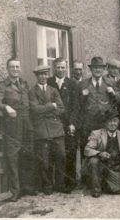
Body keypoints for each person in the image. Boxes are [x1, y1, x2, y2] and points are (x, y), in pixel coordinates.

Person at [0, 57, 35, 201]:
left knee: (27, 155)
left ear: (19, 69)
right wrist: (6, 107)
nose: (15, 69)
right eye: (12, 67)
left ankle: (26, 187)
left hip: (27, 125)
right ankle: (15, 191)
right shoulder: (3, 85)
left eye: (17, 67)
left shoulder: (24, 84)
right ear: (7, 69)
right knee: (12, 158)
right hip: (12, 126)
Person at [29, 65, 68, 195]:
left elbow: (62, 109)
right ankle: (47, 186)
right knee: (45, 160)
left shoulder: (53, 90)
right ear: (36, 76)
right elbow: (34, 110)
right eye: (41, 74)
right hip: (41, 129)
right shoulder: (32, 91)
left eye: (45, 74)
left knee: (61, 156)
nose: (44, 77)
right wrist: (51, 106)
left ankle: (60, 184)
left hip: (56, 128)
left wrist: (44, 109)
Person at [47, 57, 79, 191]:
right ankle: (55, 183)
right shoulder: (48, 82)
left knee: (69, 152)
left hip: (67, 123)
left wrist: (72, 123)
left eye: (63, 67)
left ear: (66, 68)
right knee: (54, 153)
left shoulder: (72, 84)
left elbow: (75, 106)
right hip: (53, 123)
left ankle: (69, 182)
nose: (60, 70)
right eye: (58, 67)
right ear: (54, 68)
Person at [78, 57, 120, 158]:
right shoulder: (83, 84)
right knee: (87, 151)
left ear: (104, 69)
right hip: (88, 123)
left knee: (105, 150)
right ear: (91, 69)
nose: (97, 70)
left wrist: (114, 93)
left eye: (100, 68)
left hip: (104, 123)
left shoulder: (111, 82)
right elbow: (77, 104)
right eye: (95, 68)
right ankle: (85, 173)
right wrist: (83, 96)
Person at [82, 109, 120, 198]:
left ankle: (106, 184)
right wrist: (99, 153)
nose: (112, 123)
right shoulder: (96, 133)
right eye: (110, 121)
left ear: (118, 122)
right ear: (105, 123)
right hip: (101, 167)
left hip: (115, 168)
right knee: (93, 161)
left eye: (115, 121)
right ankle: (96, 189)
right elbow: (87, 149)